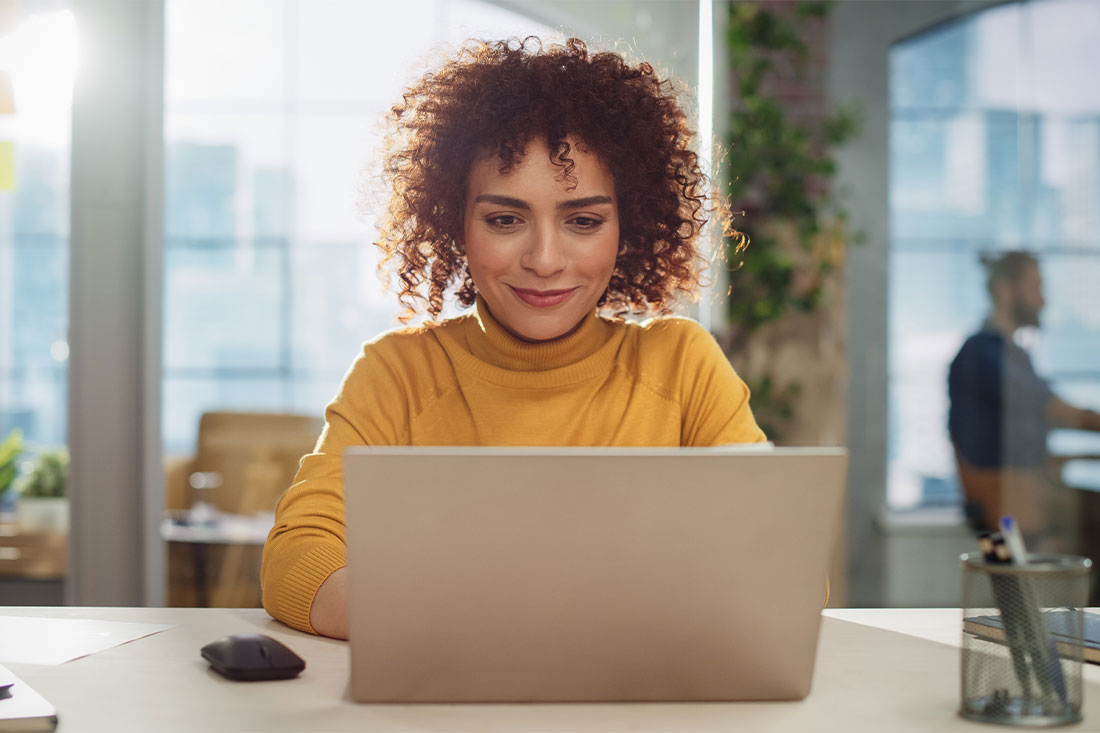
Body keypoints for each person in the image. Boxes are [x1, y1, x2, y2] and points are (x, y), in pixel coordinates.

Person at [260, 37, 767, 639]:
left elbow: (777, 570)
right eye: (505, 220)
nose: (545, 260)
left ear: (628, 227)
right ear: (455, 223)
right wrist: (486, 625)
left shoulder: (681, 365)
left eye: (584, 220)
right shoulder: (398, 373)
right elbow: (298, 559)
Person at [948, 251, 1100, 545]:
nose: (1042, 300)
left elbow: (1035, 422)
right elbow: (1051, 409)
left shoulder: (1011, 354)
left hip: (1027, 489)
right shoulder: (983, 353)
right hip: (1010, 500)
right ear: (1006, 289)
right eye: (1035, 286)